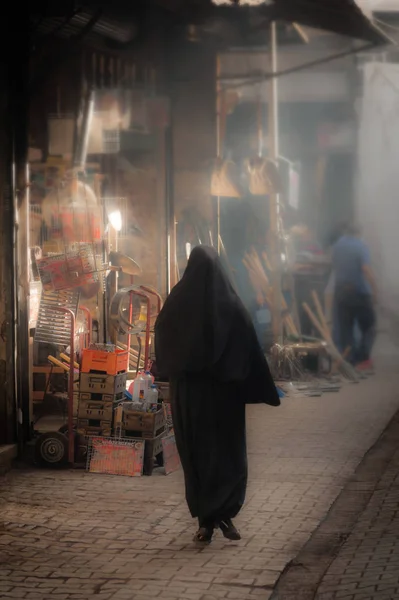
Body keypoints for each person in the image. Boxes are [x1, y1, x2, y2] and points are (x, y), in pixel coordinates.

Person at [155, 245, 280, 544]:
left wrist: (176, 369)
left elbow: (162, 337)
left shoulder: (177, 303)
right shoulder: (232, 305)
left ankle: (207, 521)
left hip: (190, 398)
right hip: (224, 399)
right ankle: (220, 516)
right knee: (226, 455)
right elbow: (250, 346)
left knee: (198, 456)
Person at [332, 224, 377, 369]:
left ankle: (350, 359)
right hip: (359, 292)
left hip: (341, 292)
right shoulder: (360, 246)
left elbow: (333, 265)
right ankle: (363, 359)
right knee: (369, 325)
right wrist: (375, 288)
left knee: (346, 327)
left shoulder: (337, 246)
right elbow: (365, 268)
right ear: (359, 233)